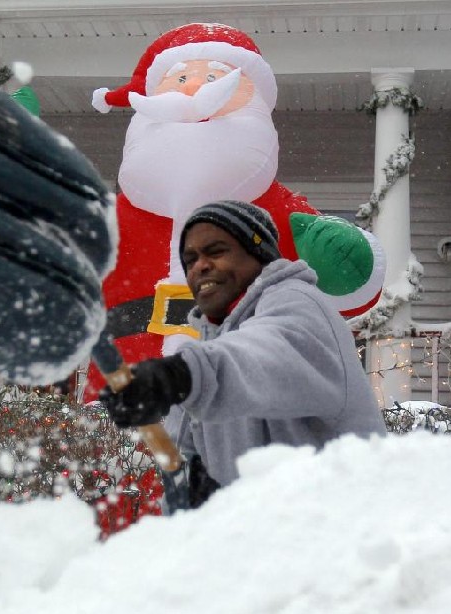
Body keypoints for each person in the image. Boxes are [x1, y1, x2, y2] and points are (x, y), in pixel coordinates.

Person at [84, 22, 384, 400]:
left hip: (245, 391)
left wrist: (340, 258)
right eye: (179, 79)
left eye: (213, 77)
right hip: (124, 402)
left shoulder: (274, 211)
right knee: (119, 457)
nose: (193, 89)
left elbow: (347, 285)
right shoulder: (112, 219)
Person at [100, 201, 387, 507]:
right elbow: (186, 449)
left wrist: (180, 375)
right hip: (268, 540)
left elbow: (264, 355)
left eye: (217, 251)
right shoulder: (213, 344)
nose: (200, 265)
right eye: (190, 258)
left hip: (349, 533)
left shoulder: (298, 303)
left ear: (259, 253)